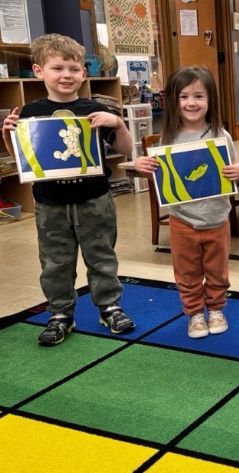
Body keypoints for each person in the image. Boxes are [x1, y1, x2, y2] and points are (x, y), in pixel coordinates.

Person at [1, 34, 136, 346]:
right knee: (55, 262)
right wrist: (8, 135)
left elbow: (127, 149)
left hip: (95, 200)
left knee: (101, 255)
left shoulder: (95, 109)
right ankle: (60, 313)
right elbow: (24, 162)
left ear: (84, 73)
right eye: (57, 68)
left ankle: (109, 306)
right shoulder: (29, 112)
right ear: (39, 71)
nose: (66, 75)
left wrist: (117, 123)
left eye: (74, 68)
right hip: (51, 203)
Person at [133, 66, 239, 338]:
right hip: (182, 219)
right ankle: (195, 313)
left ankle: (217, 308)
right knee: (186, 271)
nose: (191, 103)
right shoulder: (168, 138)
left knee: (217, 269)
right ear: (174, 100)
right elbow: (162, 175)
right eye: (184, 96)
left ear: (210, 101)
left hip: (216, 218)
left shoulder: (220, 135)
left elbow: (231, 168)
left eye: (199, 96)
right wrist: (142, 164)